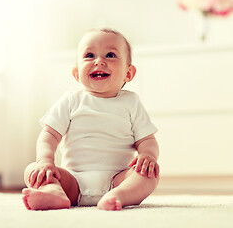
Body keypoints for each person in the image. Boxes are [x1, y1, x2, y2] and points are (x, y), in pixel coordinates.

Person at [22, 27, 160, 211]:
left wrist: (148, 156)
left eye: (110, 55)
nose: (99, 61)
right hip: (73, 180)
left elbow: (147, 140)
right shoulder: (70, 101)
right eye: (89, 55)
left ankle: (119, 196)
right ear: (77, 73)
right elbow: (49, 135)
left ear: (129, 73)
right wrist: (45, 161)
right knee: (32, 170)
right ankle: (55, 192)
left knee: (150, 174)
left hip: (118, 179)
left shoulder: (131, 102)